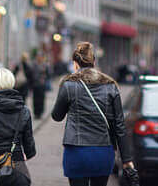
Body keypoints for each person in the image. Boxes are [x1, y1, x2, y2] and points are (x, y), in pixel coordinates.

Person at [51, 42, 134, 186]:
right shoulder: (110, 86)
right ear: (94, 62)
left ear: (75, 63)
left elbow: (57, 116)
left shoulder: (68, 85)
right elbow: (120, 126)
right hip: (103, 152)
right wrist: (127, 160)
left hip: (76, 151)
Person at [32, 54, 51, 119]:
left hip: (42, 85)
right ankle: (36, 113)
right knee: (35, 100)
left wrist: (44, 78)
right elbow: (32, 74)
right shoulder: (34, 65)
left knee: (41, 99)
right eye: (38, 57)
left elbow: (49, 74)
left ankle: (40, 113)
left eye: (40, 57)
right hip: (35, 85)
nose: (39, 58)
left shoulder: (45, 65)